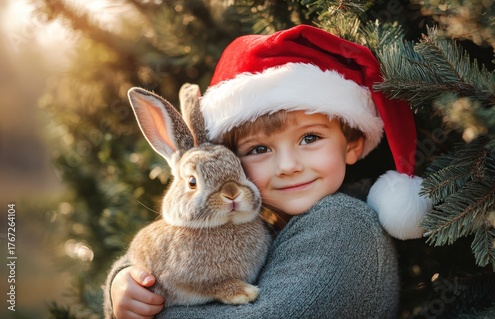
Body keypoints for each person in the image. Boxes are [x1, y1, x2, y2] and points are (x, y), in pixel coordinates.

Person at [104, 24, 432, 319]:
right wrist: (126, 282)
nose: (288, 166)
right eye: (259, 149)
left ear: (352, 144)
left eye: (310, 138)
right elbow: (174, 255)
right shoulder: (253, 220)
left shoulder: (343, 224)